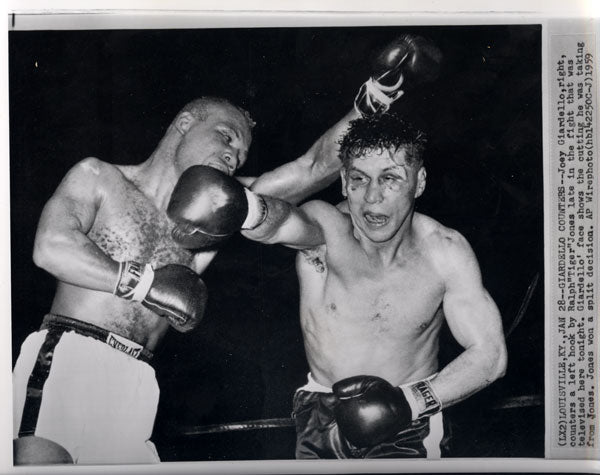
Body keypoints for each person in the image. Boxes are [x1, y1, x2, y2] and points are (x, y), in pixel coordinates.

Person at [12, 33, 441, 465]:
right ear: (184, 123)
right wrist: (146, 286)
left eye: (241, 151)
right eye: (225, 136)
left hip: (137, 375)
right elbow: (51, 247)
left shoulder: (217, 208)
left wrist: (374, 99)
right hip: (70, 355)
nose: (234, 154)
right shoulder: (100, 177)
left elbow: (311, 167)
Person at [167, 110, 508, 459]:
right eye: (359, 179)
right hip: (319, 417)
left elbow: (490, 355)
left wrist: (409, 403)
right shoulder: (326, 229)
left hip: (409, 421)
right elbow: (285, 223)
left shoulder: (444, 251)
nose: (372, 197)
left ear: (419, 182)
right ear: (344, 181)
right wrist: (246, 209)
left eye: (390, 178)